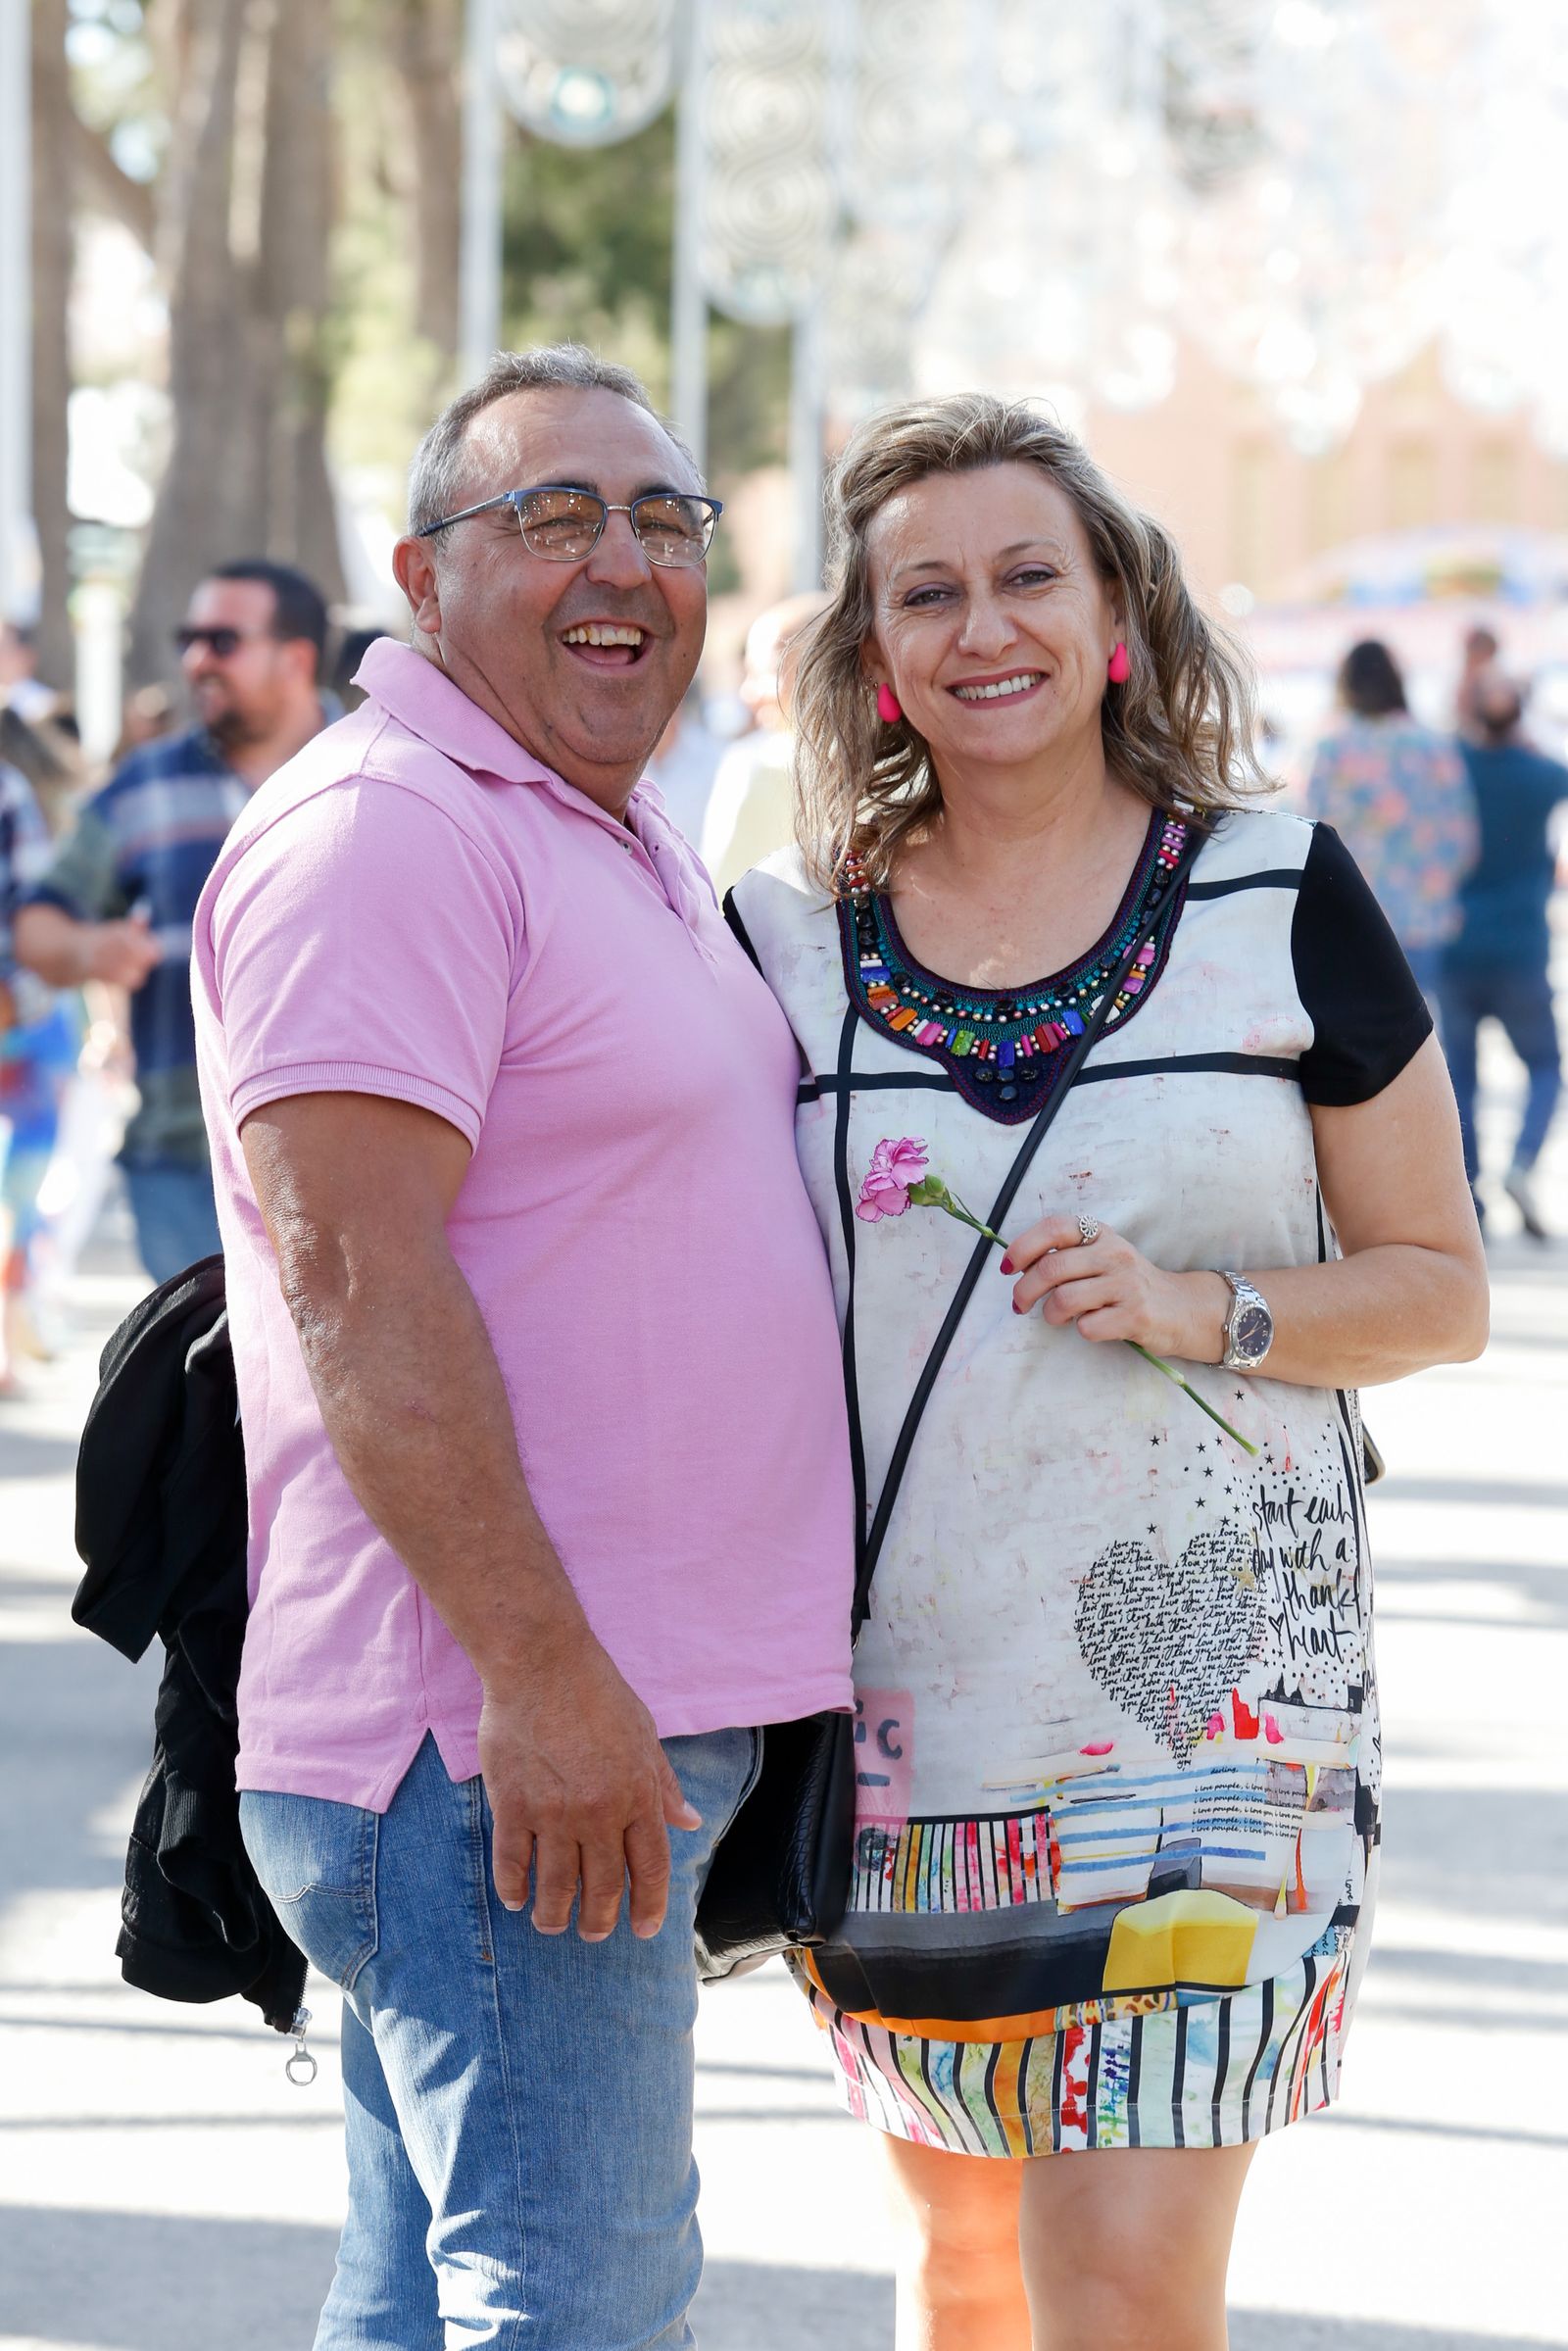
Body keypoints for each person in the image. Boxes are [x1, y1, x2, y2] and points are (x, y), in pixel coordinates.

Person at [729, 393, 1488, 2351]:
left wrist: (1201, 1305)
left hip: (1215, 1717)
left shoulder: (1277, 890)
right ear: (872, 655)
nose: (984, 624)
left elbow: (1433, 1286)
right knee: (964, 2261)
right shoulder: (786, 951)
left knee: (1123, 2287)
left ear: (1116, 616)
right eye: (927, 592)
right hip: (904, 1714)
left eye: (1025, 575)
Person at [191, 344, 854, 2347]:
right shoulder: (387, 831)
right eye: (550, 514)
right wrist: (550, 1681)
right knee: (577, 2302)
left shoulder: (601, 824)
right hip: (493, 1732)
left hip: (558, 1727)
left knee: (428, 2296)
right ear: (419, 574)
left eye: (661, 516)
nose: (621, 561)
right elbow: (357, 1286)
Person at [14, 561, 330, 1283]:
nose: (195, 659)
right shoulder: (141, 788)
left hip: (355, 1159)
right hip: (184, 1164)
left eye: (222, 640)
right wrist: (88, 948)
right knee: (222, 1394)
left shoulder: (382, 773)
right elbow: (35, 926)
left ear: (297, 657)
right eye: (190, 638)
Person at [1439, 671, 1568, 1239]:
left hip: (1458, 941)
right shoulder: (1542, 775)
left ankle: (1469, 1186)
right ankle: (1521, 1162)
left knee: (1460, 1075)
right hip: (1521, 946)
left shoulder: (1453, 769)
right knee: (1545, 1066)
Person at [1304, 638, 1476, 1004]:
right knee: (1424, 1031)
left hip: (1352, 919)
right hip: (1422, 920)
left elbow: (1309, 835)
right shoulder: (1433, 745)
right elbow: (1462, 837)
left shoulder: (1330, 748)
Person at [699, 589, 827, 895]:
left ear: (817, 669)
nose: (748, 694)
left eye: (763, 673)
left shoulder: (757, 765)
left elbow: (718, 897)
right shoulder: (906, 770)